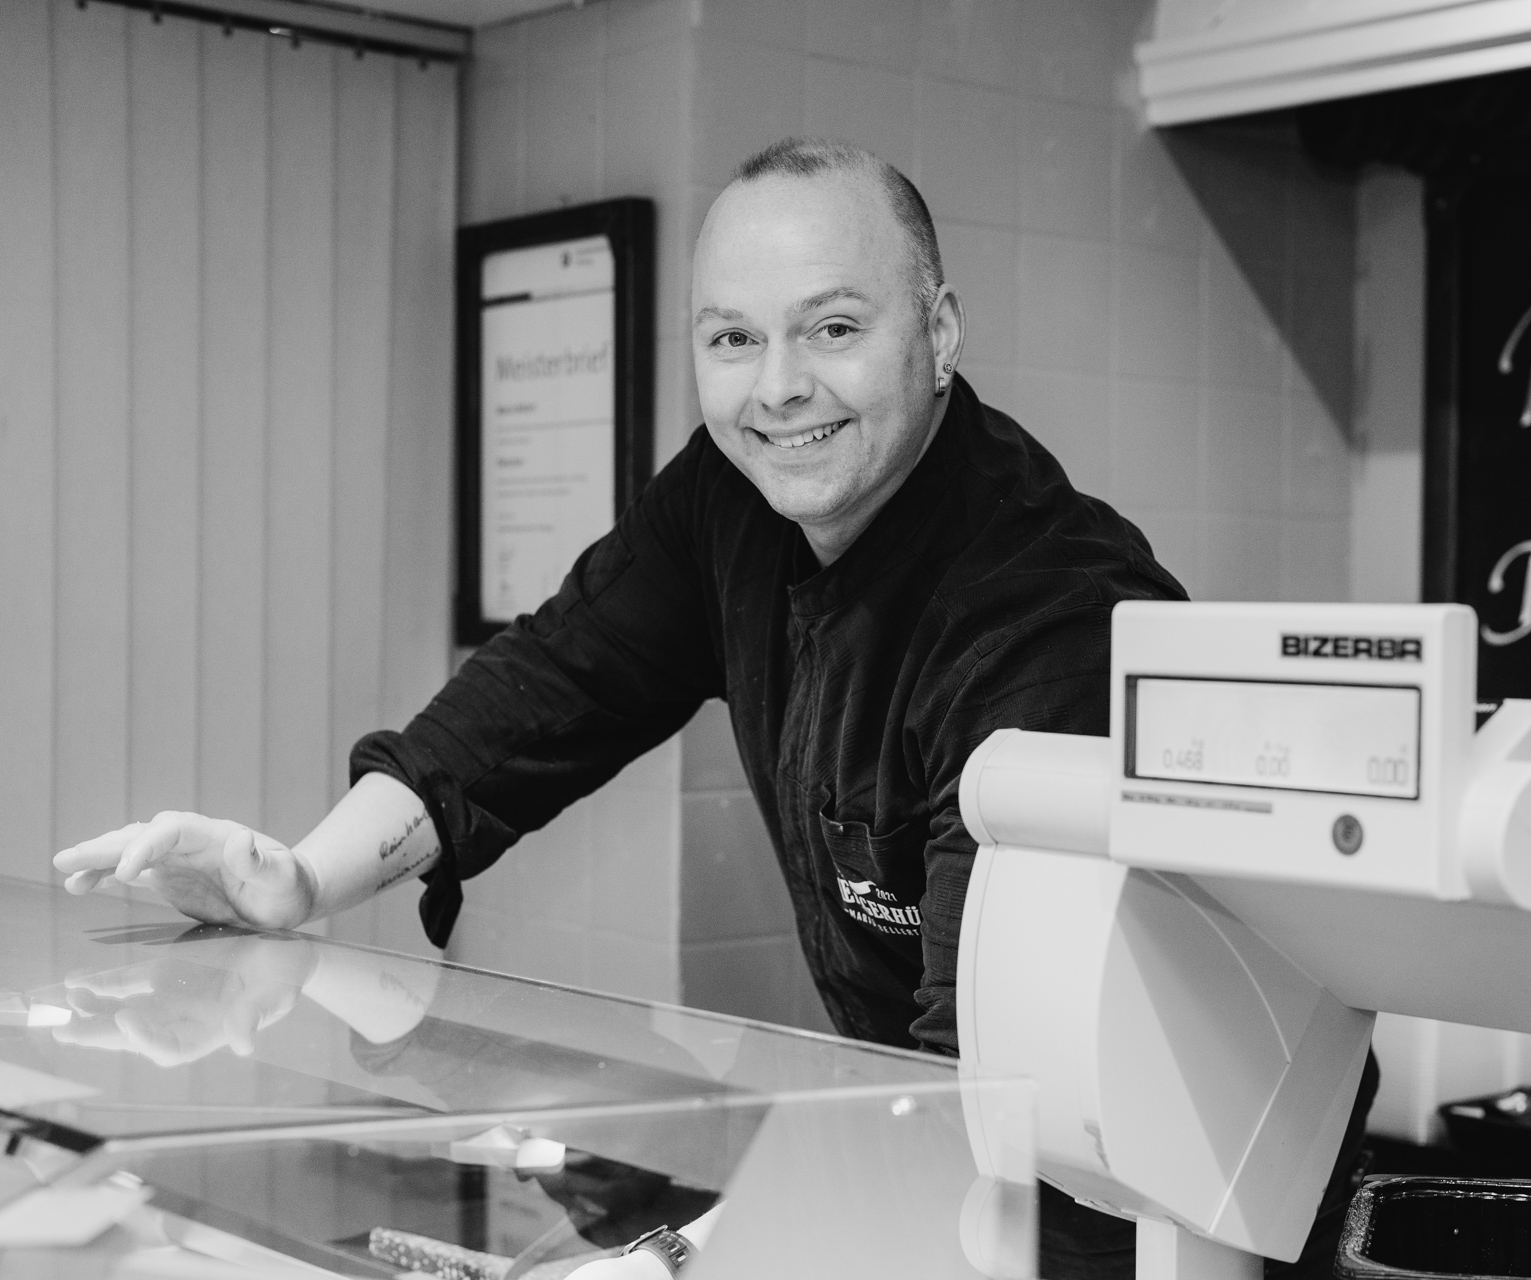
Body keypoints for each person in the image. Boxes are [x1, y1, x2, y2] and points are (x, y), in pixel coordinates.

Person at [55, 137, 1373, 1277]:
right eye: (734, 338)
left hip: (1134, 1213)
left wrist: (694, 1255)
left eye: (833, 328)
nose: (778, 386)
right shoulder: (729, 500)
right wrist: (297, 880)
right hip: (937, 1159)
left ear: (941, 334)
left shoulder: (1047, 625)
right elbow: (534, 698)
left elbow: (977, 1091)